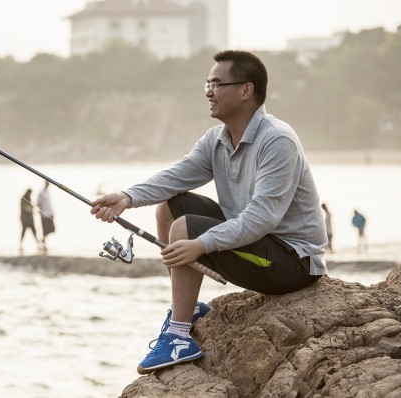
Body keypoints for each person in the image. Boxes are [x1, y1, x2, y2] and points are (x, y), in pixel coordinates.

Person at [90, 50, 327, 375]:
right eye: (207, 83)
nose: (208, 91)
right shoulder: (216, 139)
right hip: (253, 246)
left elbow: (262, 218)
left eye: (217, 83)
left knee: (187, 229)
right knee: (172, 207)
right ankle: (184, 312)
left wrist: (202, 245)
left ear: (245, 90)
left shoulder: (277, 140)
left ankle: (177, 336)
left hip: (292, 263)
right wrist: (126, 197)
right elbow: (175, 177)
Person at [36, 180, 55, 254]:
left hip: (50, 213)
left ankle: (42, 240)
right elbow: (39, 203)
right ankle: (44, 244)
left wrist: (53, 213)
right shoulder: (41, 192)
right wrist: (41, 213)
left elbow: (49, 204)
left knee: (52, 229)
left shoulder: (47, 192)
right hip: (44, 214)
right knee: (45, 229)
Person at [19, 188, 39, 254]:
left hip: (30, 219)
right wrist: (31, 209)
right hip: (24, 219)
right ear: (27, 192)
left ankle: (38, 245)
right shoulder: (23, 199)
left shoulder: (29, 198)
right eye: (30, 193)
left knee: (34, 231)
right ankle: (20, 245)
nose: (30, 194)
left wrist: (34, 207)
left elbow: (30, 207)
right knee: (24, 231)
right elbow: (25, 208)